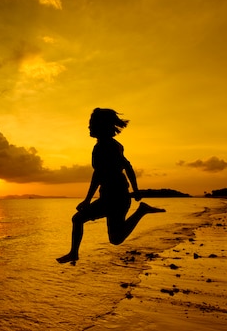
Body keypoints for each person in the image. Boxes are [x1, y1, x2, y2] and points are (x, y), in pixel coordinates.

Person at [57, 108, 165, 264]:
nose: (89, 128)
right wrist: (135, 189)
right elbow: (125, 167)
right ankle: (74, 253)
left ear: (100, 126)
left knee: (83, 221)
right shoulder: (114, 145)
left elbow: (101, 174)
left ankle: (141, 211)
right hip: (113, 196)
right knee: (111, 236)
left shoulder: (103, 147)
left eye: (91, 124)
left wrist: (87, 200)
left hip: (115, 197)